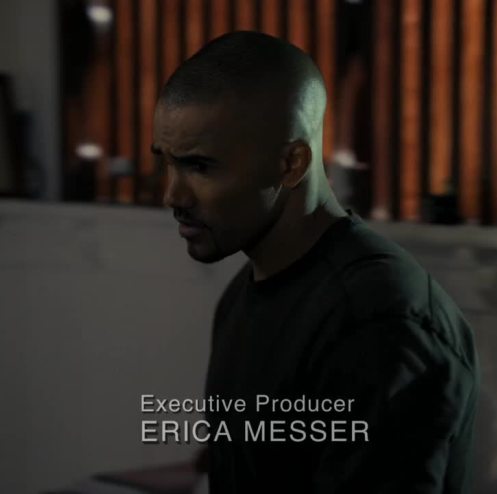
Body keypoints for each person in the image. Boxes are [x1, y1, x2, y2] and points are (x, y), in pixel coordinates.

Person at [153, 31, 479, 493]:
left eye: (200, 166)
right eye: (166, 163)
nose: (173, 195)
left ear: (291, 164)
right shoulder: (242, 295)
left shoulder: (377, 320)